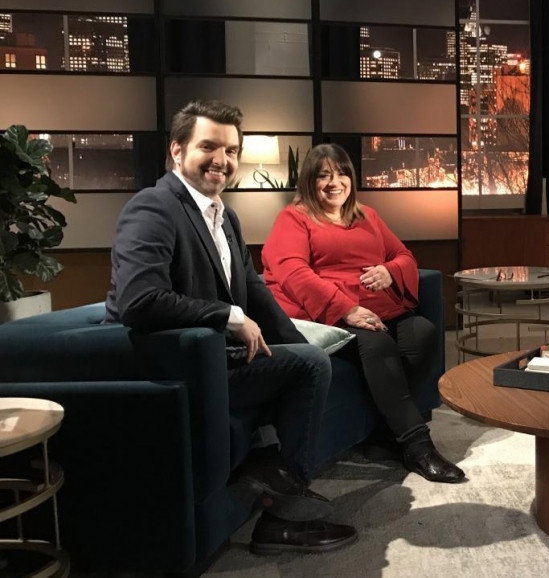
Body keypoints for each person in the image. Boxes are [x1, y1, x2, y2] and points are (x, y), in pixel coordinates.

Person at [105, 100, 356, 554]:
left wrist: (298, 344)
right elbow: (139, 301)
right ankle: (284, 516)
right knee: (309, 368)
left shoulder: (224, 215)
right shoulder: (154, 207)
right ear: (177, 150)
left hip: (219, 359)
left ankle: (274, 480)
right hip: (176, 369)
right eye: (209, 147)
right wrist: (228, 315)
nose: (221, 160)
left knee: (310, 361)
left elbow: (254, 288)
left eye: (231, 150)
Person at [261, 143, 465, 484]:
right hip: (328, 314)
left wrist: (390, 271)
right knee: (378, 344)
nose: (334, 182)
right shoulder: (294, 218)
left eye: (341, 173)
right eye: (323, 175)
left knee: (422, 333)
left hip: (379, 307)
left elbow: (403, 255)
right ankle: (417, 446)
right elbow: (292, 272)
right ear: (309, 181)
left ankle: (384, 433)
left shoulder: (367, 215)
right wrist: (347, 309)